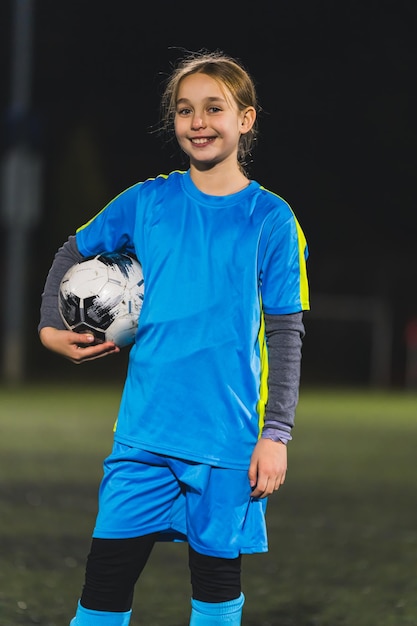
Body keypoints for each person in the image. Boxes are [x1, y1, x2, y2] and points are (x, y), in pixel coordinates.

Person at [39, 49, 310, 626]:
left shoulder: (270, 219)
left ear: (246, 118)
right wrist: (49, 327)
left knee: (214, 595)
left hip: (227, 441)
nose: (199, 122)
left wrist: (277, 434)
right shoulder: (148, 202)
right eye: (185, 110)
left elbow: (287, 331)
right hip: (145, 435)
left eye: (215, 108)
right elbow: (73, 249)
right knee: (103, 589)